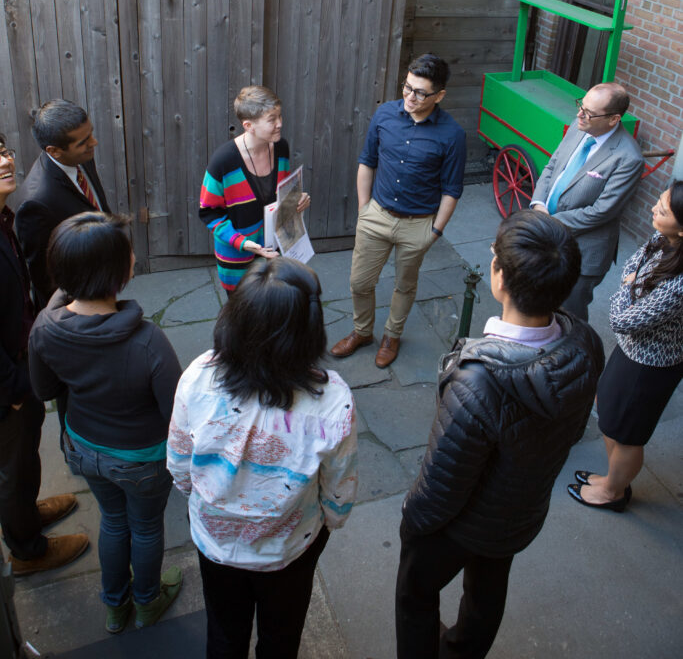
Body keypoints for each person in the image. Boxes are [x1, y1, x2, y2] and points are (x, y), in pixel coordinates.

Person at [395, 210, 604, 659]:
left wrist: (411, 521)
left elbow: (440, 488)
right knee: (488, 591)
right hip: (520, 511)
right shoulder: (585, 343)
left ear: (500, 278)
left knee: (415, 596)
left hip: (461, 524)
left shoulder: (478, 380)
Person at [167, 257, 357, 659]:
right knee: (281, 637)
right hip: (289, 548)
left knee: (223, 632)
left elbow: (180, 467)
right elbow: (338, 492)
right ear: (309, 330)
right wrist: (331, 520)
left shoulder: (197, 376)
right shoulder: (332, 400)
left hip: (214, 541)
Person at [28, 213, 183, 634]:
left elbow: (44, 391)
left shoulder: (45, 326)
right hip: (142, 460)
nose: (133, 256)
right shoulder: (148, 341)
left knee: (113, 521)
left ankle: (116, 607)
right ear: (116, 271)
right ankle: (148, 601)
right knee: (146, 526)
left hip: (84, 447)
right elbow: (177, 417)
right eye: (127, 252)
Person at [331, 53, 466, 368]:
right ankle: (362, 332)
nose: (411, 97)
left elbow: (452, 190)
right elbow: (367, 161)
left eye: (421, 93)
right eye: (407, 88)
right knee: (359, 283)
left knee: (405, 285)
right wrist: (365, 209)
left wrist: (434, 232)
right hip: (376, 216)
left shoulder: (452, 135)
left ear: (440, 95)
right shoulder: (384, 115)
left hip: (418, 225)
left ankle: (392, 336)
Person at [0, 133, 88, 576]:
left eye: (2, 149)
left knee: (25, 454)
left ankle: (28, 514)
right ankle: (27, 551)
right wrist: (14, 389)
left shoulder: (3, 216)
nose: (4, 160)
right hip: (7, 381)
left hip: (19, 359)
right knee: (11, 468)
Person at [568, 181, 683, 511]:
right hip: (633, 351)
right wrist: (632, 285)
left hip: (650, 366)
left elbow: (623, 320)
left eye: (662, 209)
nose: (653, 210)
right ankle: (612, 480)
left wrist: (628, 289)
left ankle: (613, 493)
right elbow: (636, 261)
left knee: (628, 432)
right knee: (610, 417)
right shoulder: (664, 239)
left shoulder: (679, 282)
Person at [531, 82, 644, 321]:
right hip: (547, 232)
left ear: (613, 119)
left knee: (568, 315)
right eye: (581, 105)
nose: (579, 114)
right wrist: (538, 203)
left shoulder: (629, 158)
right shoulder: (578, 126)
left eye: (589, 113)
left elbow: (602, 211)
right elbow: (553, 166)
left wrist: (549, 221)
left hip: (583, 252)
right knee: (540, 302)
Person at [199, 85, 310, 294]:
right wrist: (244, 243)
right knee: (244, 319)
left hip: (274, 254)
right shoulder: (223, 161)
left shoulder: (281, 148)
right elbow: (209, 212)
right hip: (238, 260)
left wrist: (297, 198)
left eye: (279, 116)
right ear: (248, 125)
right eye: (272, 119)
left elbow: (281, 194)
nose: (280, 124)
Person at [15, 100, 110, 310]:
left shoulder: (80, 155)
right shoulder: (36, 203)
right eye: (84, 141)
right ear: (54, 151)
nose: (93, 142)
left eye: (91, 133)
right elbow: (43, 277)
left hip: (102, 283)